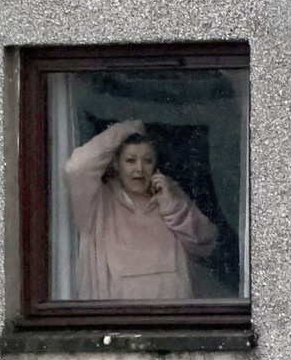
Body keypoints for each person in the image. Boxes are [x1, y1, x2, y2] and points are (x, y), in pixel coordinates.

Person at [64, 118, 218, 299]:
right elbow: (76, 167)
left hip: (173, 320)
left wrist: (172, 207)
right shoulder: (97, 203)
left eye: (148, 160)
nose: (139, 169)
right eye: (130, 160)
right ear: (116, 164)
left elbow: (207, 243)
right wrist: (126, 129)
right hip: (115, 323)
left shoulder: (169, 194)